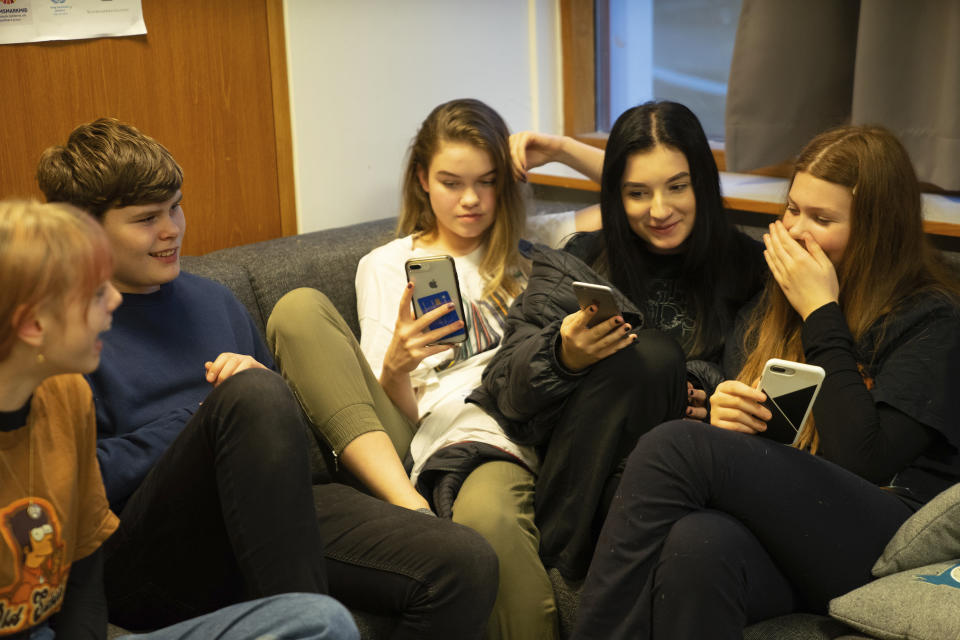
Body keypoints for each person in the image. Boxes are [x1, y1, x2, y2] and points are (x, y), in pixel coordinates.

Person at [36, 118, 498, 638]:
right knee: (250, 395)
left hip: (275, 505)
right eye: (146, 218)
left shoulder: (213, 300)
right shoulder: (65, 329)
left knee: (466, 563)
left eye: (176, 207)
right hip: (150, 546)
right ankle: (305, 620)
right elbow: (74, 480)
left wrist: (266, 403)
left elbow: (298, 453)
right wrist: (218, 414)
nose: (171, 230)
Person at [571, 125, 960, 639]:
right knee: (699, 547)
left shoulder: (934, 318)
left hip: (889, 532)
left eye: (822, 219)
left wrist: (822, 310)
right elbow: (776, 452)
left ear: (876, 230)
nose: (797, 231)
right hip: (796, 528)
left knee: (675, 448)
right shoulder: (769, 308)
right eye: (794, 209)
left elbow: (863, 459)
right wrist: (726, 412)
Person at [267, 98, 601, 640]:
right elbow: (387, 415)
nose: (470, 199)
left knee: (489, 520)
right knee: (297, 308)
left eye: (488, 181)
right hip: (407, 441)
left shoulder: (535, 250)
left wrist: (560, 149)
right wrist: (397, 366)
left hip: (501, 433)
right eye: (451, 182)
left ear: (507, 182)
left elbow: (638, 196)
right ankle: (409, 507)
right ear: (422, 179)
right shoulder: (384, 264)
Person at [0, 199, 359, 640]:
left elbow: (83, 584)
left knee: (322, 620)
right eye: (95, 292)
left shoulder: (66, 395)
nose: (115, 300)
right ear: (33, 325)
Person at [470, 100, 768, 580]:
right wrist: (563, 355)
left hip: (697, 478)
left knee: (658, 364)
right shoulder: (583, 259)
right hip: (589, 481)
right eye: (636, 193)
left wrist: (709, 398)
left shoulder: (749, 268)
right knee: (650, 356)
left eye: (677, 187)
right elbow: (505, 387)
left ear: (703, 184)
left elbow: (763, 382)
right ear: (615, 197)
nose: (659, 210)